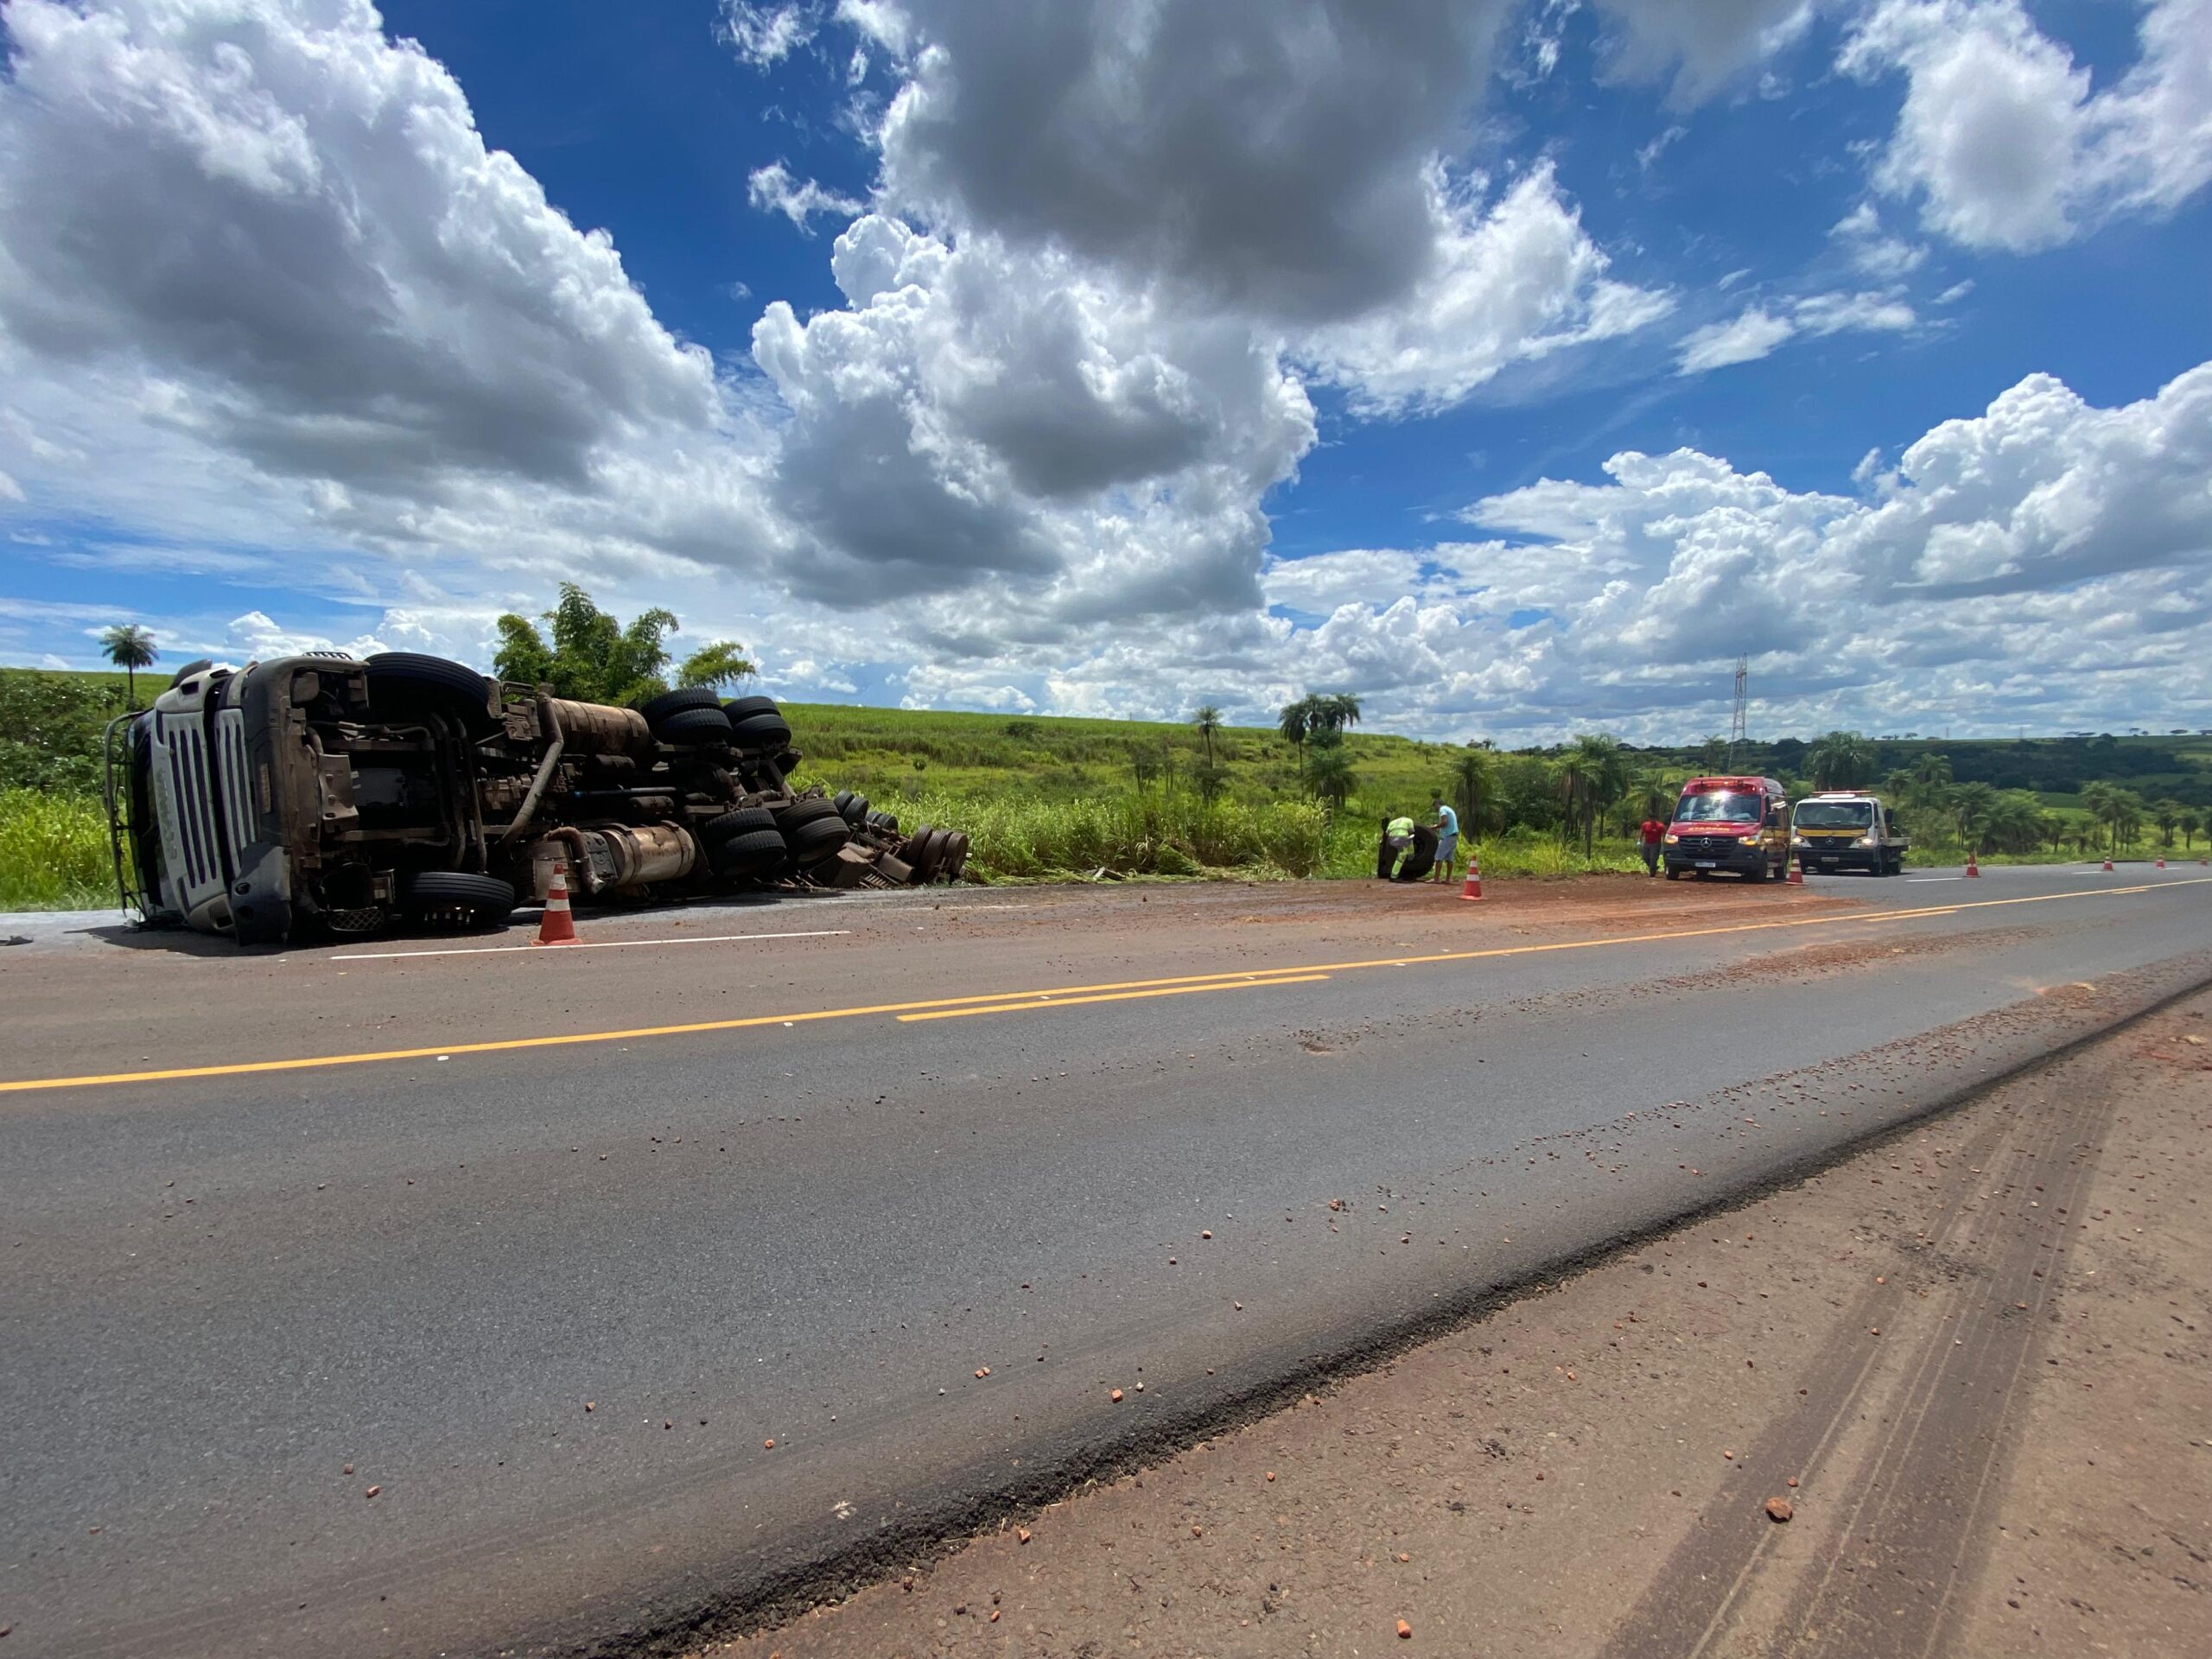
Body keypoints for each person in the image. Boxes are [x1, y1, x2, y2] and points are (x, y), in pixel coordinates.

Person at [1430, 797, 1459, 881]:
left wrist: (1435, 827)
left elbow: (1445, 822)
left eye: (1434, 806)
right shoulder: (1449, 809)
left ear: (1437, 804)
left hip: (1448, 836)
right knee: (1449, 858)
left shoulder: (1442, 809)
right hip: (1454, 835)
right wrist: (1439, 828)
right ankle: (1447, 879)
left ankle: (1436, 879)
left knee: (1439, 857)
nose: (1434, 809)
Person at [1639, 811, 1666, 876]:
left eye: (1653, 819)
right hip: (1647, 843)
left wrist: (1664, 844)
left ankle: (1652, 873)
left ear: (1655, 819)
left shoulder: (1660, 826)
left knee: (1653, 858)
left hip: (1656, 844)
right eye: (1651, 818)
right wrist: (1639, 840)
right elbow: (1642, 832)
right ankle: (1653, 867)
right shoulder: (1645, 825)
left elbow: (1664, 834)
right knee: (1645, 857)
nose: (1652, 820)